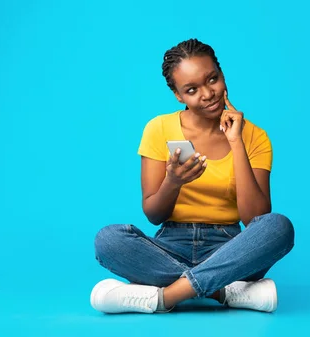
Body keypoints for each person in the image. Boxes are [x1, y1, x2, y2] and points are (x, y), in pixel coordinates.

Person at [90, 38, 295, 314]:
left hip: (231, 248)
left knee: (279, 227)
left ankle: (165, 297)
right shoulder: (158, 128)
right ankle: (224, 290)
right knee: (108, 239)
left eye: (212, 79)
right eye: (191, 89)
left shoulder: (255, 137)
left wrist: (237, 143)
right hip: (170, 245)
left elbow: (254, 218)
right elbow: (154, 214)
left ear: (222, 74)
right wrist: (173, 181)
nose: (207, 94)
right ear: (178, 95)